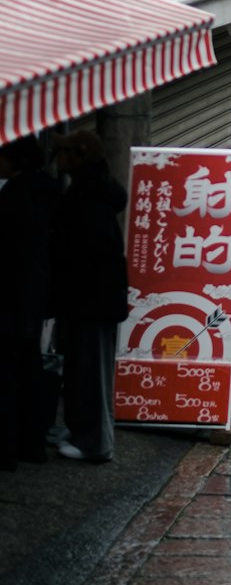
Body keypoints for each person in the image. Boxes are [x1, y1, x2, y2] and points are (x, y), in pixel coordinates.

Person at [50, 130, 128, 463]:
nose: (58, 159)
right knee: (83, 370)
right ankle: (83, 432)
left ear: (78, 156)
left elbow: (90, 257)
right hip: (90, 299)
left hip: (91, 301)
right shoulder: (93, 192)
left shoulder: (87, 200)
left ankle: (96, 444)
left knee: (92, 372)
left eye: (64, 153)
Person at [0, 136, 55, 470]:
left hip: (10, 300)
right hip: (35, 298)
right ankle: (32, 444)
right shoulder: (48, 192)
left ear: (14, 161)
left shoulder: (12, 199)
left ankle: (6, 450)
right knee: (30, 370)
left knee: (7, 376)